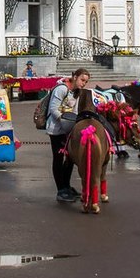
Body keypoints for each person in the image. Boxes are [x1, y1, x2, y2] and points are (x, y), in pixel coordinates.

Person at [46, 68, 90, 202]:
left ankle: (67, 186)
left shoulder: (75, 92)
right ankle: (61, 190)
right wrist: (65, 120)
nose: (83, 83)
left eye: (86, 82)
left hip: (68, 129)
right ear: (75, 77)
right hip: (57, 130)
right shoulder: (62, 89)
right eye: (82, 80)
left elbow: (74, 111)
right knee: (58, 158)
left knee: (70, 158)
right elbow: (54, 109)